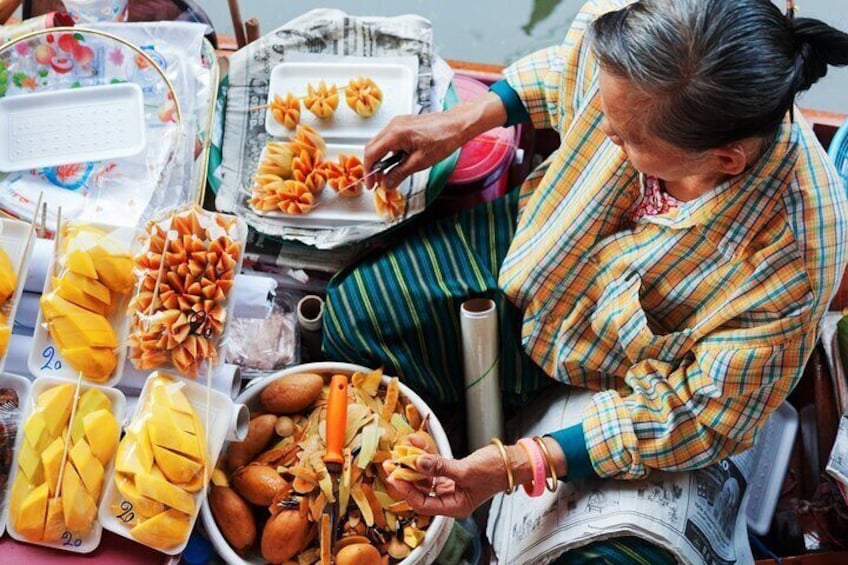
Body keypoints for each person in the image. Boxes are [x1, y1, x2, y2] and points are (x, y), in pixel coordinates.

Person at [323, 0, 848, 560]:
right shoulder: (647, 22)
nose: (599, 130)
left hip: (627, 373)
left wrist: (520, 463)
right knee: (356, 320)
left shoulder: (795, 252)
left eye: (622, 137)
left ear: (725, 160)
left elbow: (695, 411)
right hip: (555, 236)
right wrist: (457, 125)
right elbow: (564, 72)